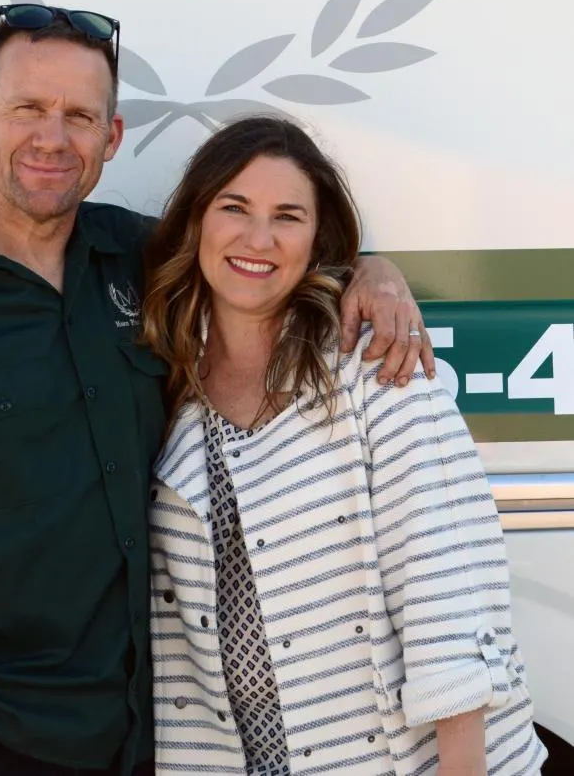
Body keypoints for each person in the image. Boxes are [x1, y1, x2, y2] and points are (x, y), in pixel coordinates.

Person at [0, 5, 433, 776]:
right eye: (28, 108)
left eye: (79, 116)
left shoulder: (143, 258)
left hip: (145, 735)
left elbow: (264, 249)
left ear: (112, 137)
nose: (52, 137)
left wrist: (373, 270)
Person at [142, 115, 545, 776]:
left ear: (316, 238)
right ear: (197, 221)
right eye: (234, 207)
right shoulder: (165, 386)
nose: (258, 238)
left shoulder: (375, 364)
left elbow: (447, 585)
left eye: (288, 216)